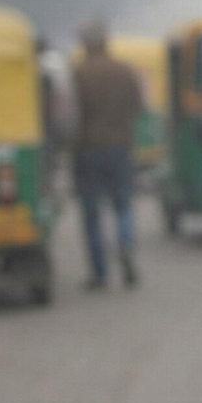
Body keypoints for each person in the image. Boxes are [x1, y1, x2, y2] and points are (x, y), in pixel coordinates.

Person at [70, 20, 145, 290]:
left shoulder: (78, 74)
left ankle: (100, 273)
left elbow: (68, 115)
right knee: (123, 205)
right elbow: (139, 107)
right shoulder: (125, 71)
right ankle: (125, 246)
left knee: (91, 215)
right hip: (120, 147)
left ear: (85, 44)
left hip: (87, 150)